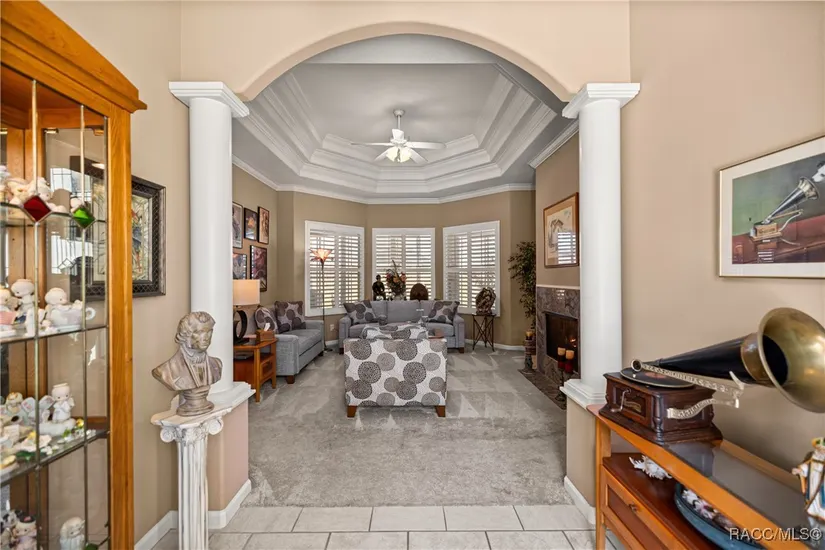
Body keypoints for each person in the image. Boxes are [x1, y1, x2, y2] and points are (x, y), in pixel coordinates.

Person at [152, 311, 222, 392]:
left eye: (209, 332)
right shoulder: (166, 371)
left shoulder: (217, 364)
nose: (206, 338)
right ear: (185, 335)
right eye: (200, 332)